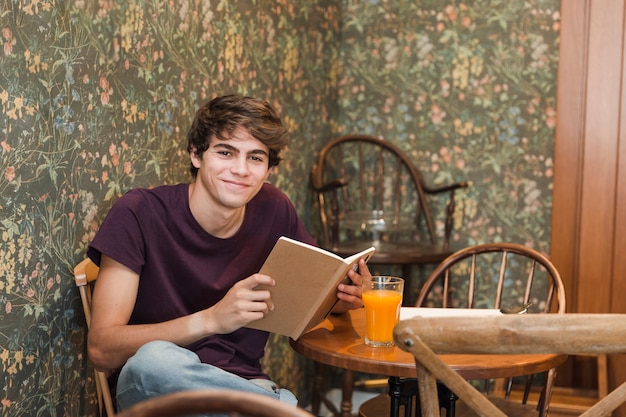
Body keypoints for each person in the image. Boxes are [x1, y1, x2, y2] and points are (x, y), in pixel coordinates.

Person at [86, 94, 370, 413]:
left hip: (243, 385)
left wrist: (343, 298)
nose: (240, 170)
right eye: (225, 152)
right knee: (156, 359)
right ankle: (281, 410)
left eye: (255, 158)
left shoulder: (274, 209)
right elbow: (101, 349)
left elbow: (313, 301)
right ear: (196, 155)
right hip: (156, 391)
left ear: (268, 169)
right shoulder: (138, 213)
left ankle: (271, 409)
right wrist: (212, 319)